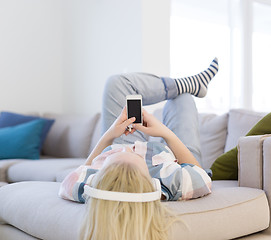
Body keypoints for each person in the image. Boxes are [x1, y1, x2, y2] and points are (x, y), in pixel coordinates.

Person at [58, 57, 219, 240]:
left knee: (116, 83)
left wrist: (110, 136)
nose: (130, 149)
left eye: (112, 156)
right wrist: (166, 134)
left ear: (99, 177)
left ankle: (190, 84)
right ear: (151, 181)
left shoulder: (88, 187)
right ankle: (190, 85)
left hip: (122, 138)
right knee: (182, 99)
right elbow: (201, 175)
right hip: (175, 155)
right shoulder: (169, 182)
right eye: (134, 155)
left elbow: (77, 175)